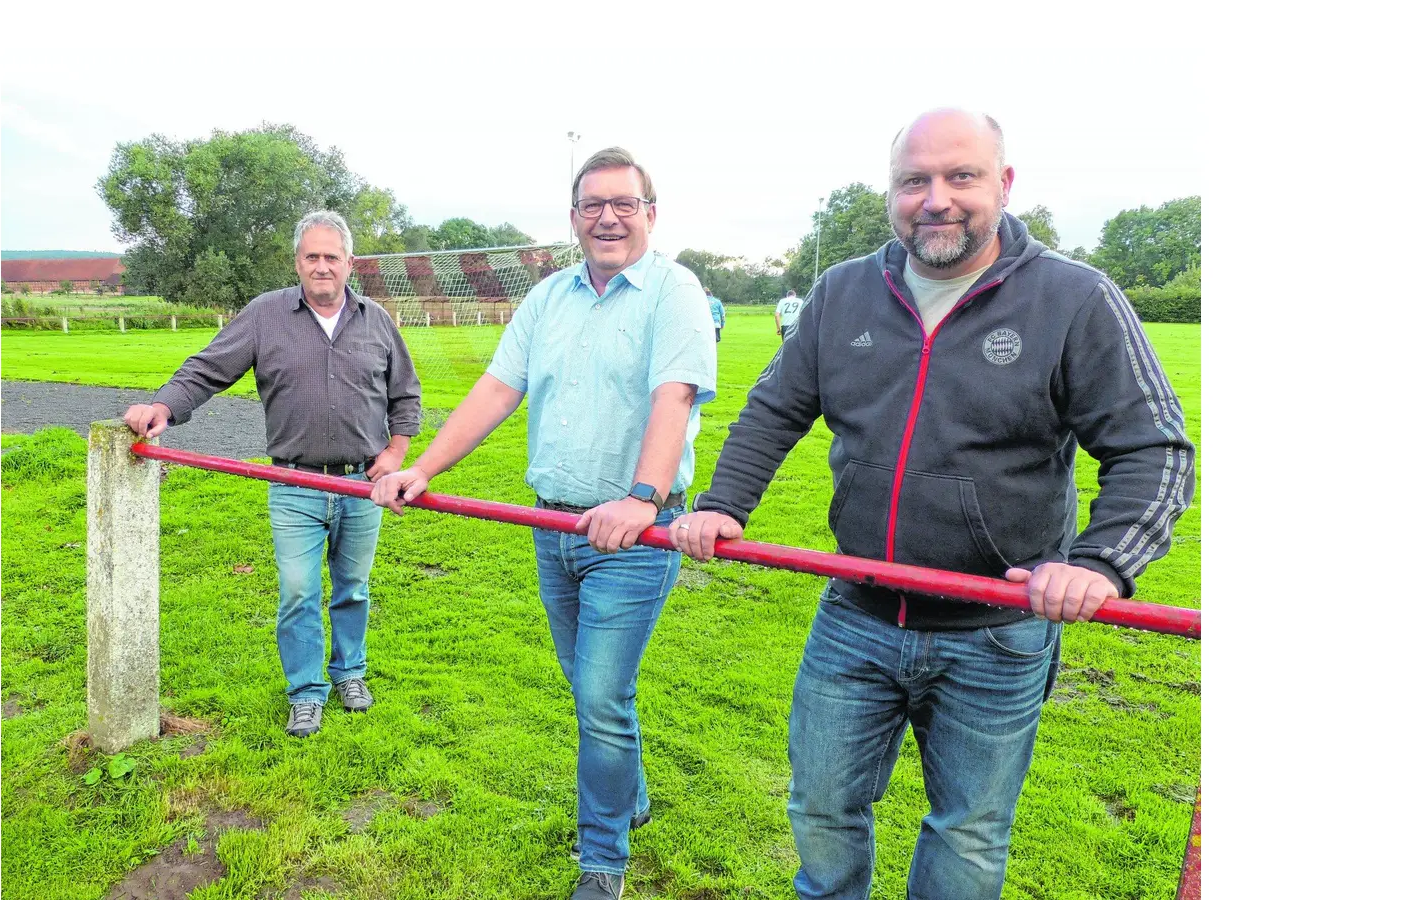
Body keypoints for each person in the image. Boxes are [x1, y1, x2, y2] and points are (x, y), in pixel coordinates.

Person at [670, 109, 1194, 899]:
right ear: (892, 192)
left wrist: (1101, 562)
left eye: (961, 177)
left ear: (1004, 185)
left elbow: (1153, 448)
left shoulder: (1075, 298)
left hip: (997, 632)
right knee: (821, 807)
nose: (936, 199)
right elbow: (775, 408)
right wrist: (721, 504)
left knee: (968, 833)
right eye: (914, 180)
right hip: (857, 614)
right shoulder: (844, 292)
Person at [371, 147, 716, 900]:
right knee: (592, 687)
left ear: (650, 214)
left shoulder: (674, 292)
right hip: (551, 526)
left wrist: (643, 498)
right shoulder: (548, 299)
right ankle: (631, 798)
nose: (608, 217)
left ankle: (603, 863)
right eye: (593, 204)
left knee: (598, 695)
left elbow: (675, 397)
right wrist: (424, 469)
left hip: (633, 536)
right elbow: (497, 390)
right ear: (573, 218)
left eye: (624, 203)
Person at [122, 210, 422, 738]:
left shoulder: (377, 320)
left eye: (332, 257)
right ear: (298, 262)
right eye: (313, 256)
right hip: (294, 484)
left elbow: (405, 395)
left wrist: (396, 452)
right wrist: (164, 407)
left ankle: (350, 672)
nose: (322, 266)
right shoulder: (266, 315)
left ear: (350, 263)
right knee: (299, 590)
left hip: (360, 484)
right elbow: (207, 368)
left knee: (352, 587)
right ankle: (306, 692)